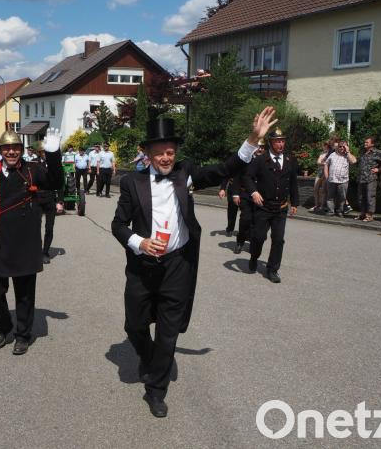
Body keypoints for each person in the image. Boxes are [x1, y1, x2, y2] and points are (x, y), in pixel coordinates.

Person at [111, 109, 272, 418]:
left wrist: (252, 139)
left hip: (178, 264)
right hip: (144, 266)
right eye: (159, 152)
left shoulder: (186, 173)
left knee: (169, 331)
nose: (166, 157)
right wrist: (140, 243)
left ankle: (156, 389)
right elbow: (118, 225)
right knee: (135, 325)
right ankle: (152, 357)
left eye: (170, 151)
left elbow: (223, 168)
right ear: (147, 154)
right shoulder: (132, 182)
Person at [0, 128, 63, 355]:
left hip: (24, 240)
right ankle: (3, 327)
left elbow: (56, 181)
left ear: (21, 151)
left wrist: (52, 154)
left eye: (15, 148)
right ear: (0, 150)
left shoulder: (33, 170)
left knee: (24, 292)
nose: (11, 152)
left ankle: (23, 334)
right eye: (7, 148)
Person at [244, 127, 299, 284]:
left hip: (280, 208)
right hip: (263, 207)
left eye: (282, 141)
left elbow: (293, 182)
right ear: (271, 143)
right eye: (277, 141)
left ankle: (272, 269)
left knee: (278, 239)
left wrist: (295, 202)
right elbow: (247, 177)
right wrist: (254, 192)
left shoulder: (290, 160)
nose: (281, 144)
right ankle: (254, 256)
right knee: (258, 237)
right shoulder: (260, 160)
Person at [356, 136, 381, 222]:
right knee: (361, 197)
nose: (365, 144)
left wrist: (379, 169)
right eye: (365, 142)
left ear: (372, 144)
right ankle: (363, 214)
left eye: (367, 142)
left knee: (370, 197)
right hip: (361, 178)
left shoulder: (377, 152)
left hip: (371, 178)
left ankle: (370, 215)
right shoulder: (363, 152)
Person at [324, 140, 357, 217]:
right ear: (337, 147)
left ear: (346, 147)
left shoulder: (348, 155)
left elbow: (353, 161)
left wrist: (348, 152)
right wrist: (326, 176)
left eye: (343, 146)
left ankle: (340, 211)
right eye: (340, 146)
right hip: (331, 180)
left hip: (343, 180)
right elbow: (326, 165)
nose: (342, 148)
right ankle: (330, 211)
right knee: (330, 197)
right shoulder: (332, 155)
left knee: (342, 198)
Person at [310, 141, 331, 214]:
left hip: (325, 174)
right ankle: (316, 205)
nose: (323, 147)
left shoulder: (330, 154)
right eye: (323, 145)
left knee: (323, 191)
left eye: (324, 145)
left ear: (327, 146)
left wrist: (323, 163)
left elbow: (325, 163)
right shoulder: (322, 154)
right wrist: (324, 163)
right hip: (319, 173)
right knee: (316, 189)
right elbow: (318, 162)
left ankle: (322, 206)